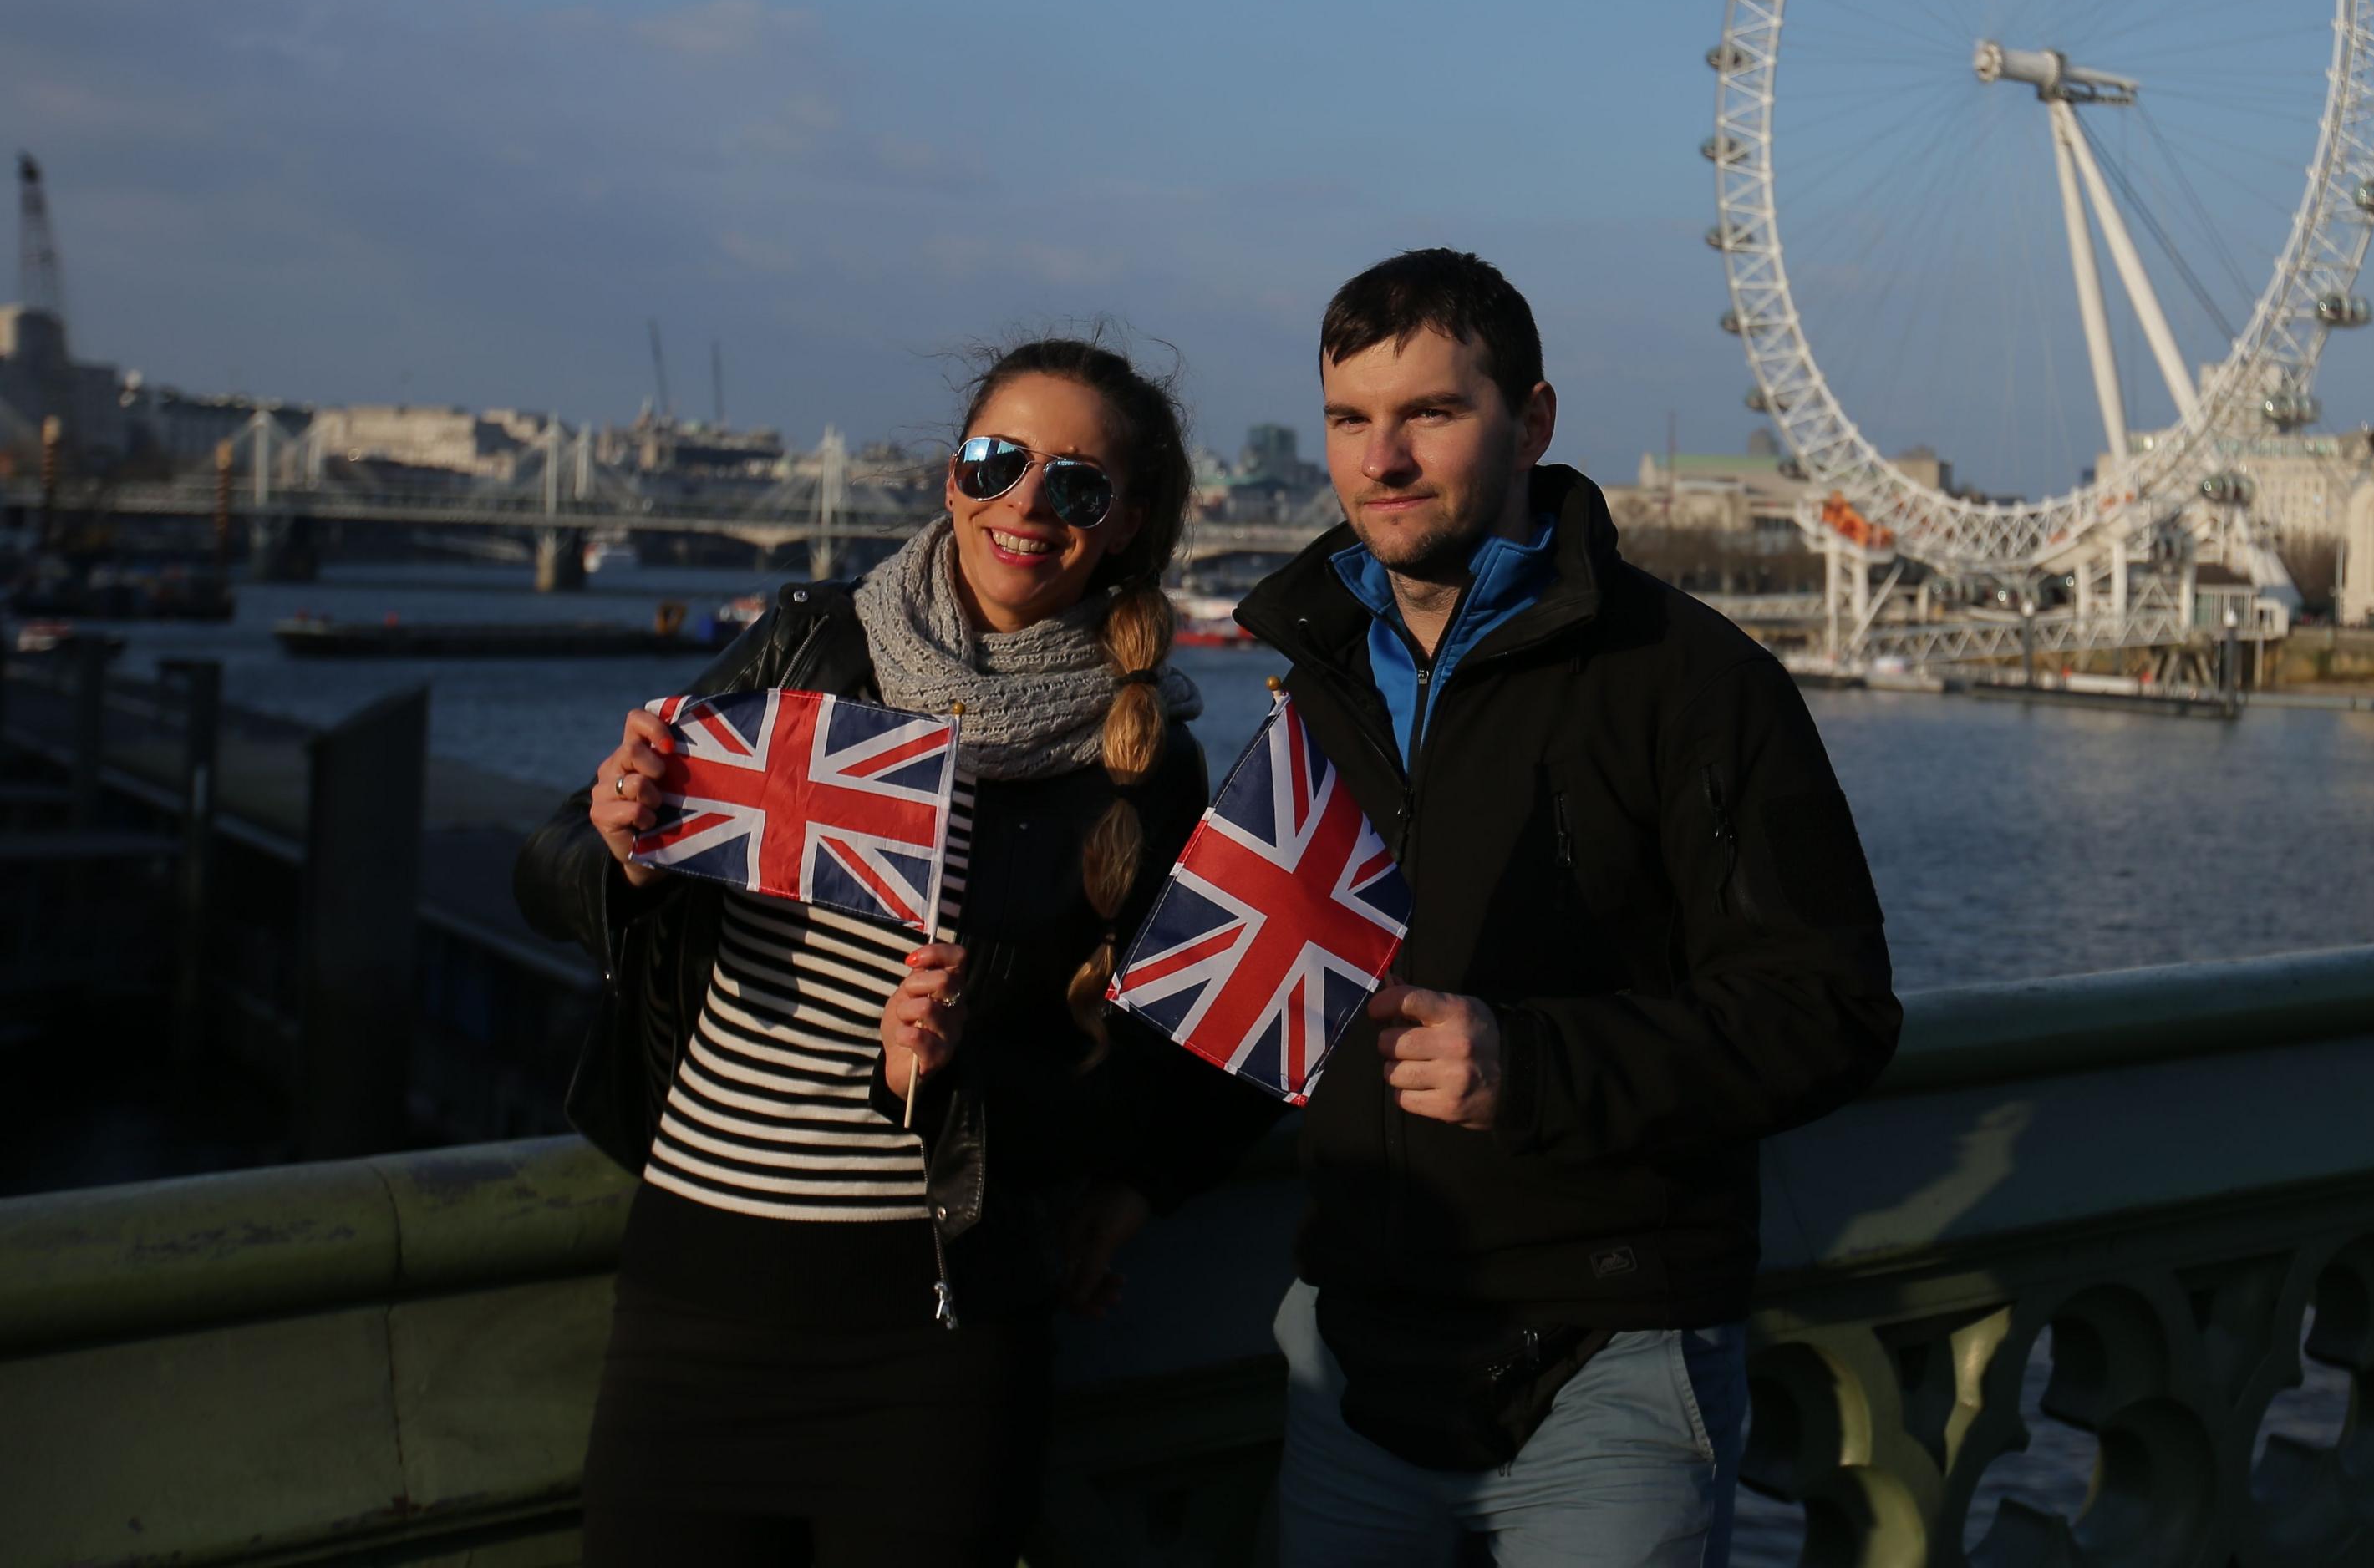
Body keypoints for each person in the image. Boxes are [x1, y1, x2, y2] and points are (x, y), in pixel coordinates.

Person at [516, 336, 1279, 1565]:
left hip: (936, 1345)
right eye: (998, 461)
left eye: (1077, 485)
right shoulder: (812, 652)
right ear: (951, 478)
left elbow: (1160, 1068)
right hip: (690, 1311)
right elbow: (549, 866)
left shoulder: (1144, 764)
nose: (1027, 504)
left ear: (1129, 522)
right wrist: (624, 846)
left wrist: (957, 1065)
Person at [1236, 250, 1901, 1567]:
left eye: (1430, 413)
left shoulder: (1691, 679)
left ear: (1532, 421)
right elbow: (1246, 990)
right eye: (1350, 420)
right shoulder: (1311, 682)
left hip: (1609, 1356)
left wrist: (1531, 1065)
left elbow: (1827, 1008)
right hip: (1352, 1354)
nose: (1382, 459)